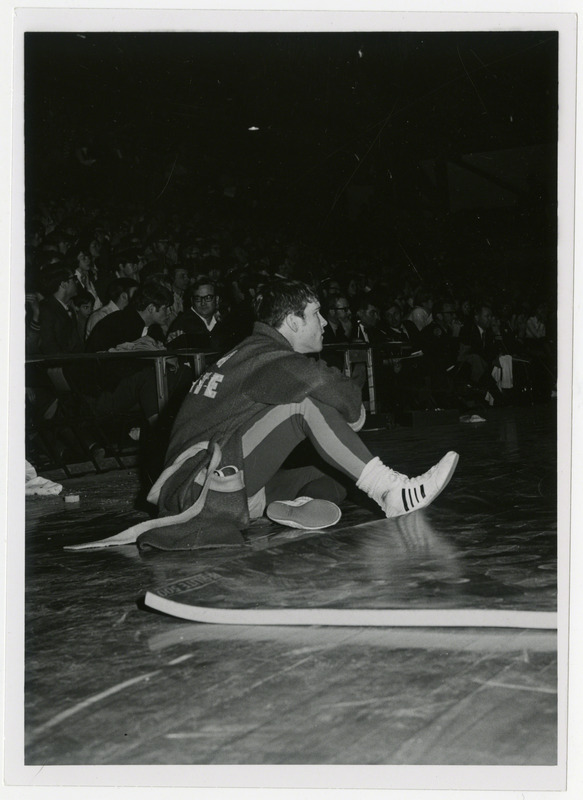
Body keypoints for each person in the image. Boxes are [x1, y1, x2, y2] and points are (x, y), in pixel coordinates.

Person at [115, 279, 458, 551]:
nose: (324, 322)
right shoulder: (269, 358)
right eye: (316, 314)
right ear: (293, 322)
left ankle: (302, 505)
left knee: (337, 474)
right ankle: (392, 491)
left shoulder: (253, 353)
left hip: (221, 482)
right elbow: (354, 411)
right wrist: (329, 384)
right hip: (202, 487)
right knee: (301, 406)